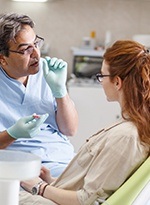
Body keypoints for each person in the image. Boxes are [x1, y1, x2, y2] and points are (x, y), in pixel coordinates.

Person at [19, 39, 150, 205]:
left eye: (102, 76)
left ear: (117, 82)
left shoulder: (126, 136)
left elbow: (86, 200)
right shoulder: (133, 129)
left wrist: (40, 187)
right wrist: (51, 181)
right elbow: (95, 183)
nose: (101, 81)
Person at [0, 13, 78, 177]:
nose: (36, 54)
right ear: (2, 59)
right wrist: (12, 134)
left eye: (36, 44)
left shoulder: (47, 71)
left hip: (63, 160)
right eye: (25, 49)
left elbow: (70, 129)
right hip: (21, 167)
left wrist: (60, 92)